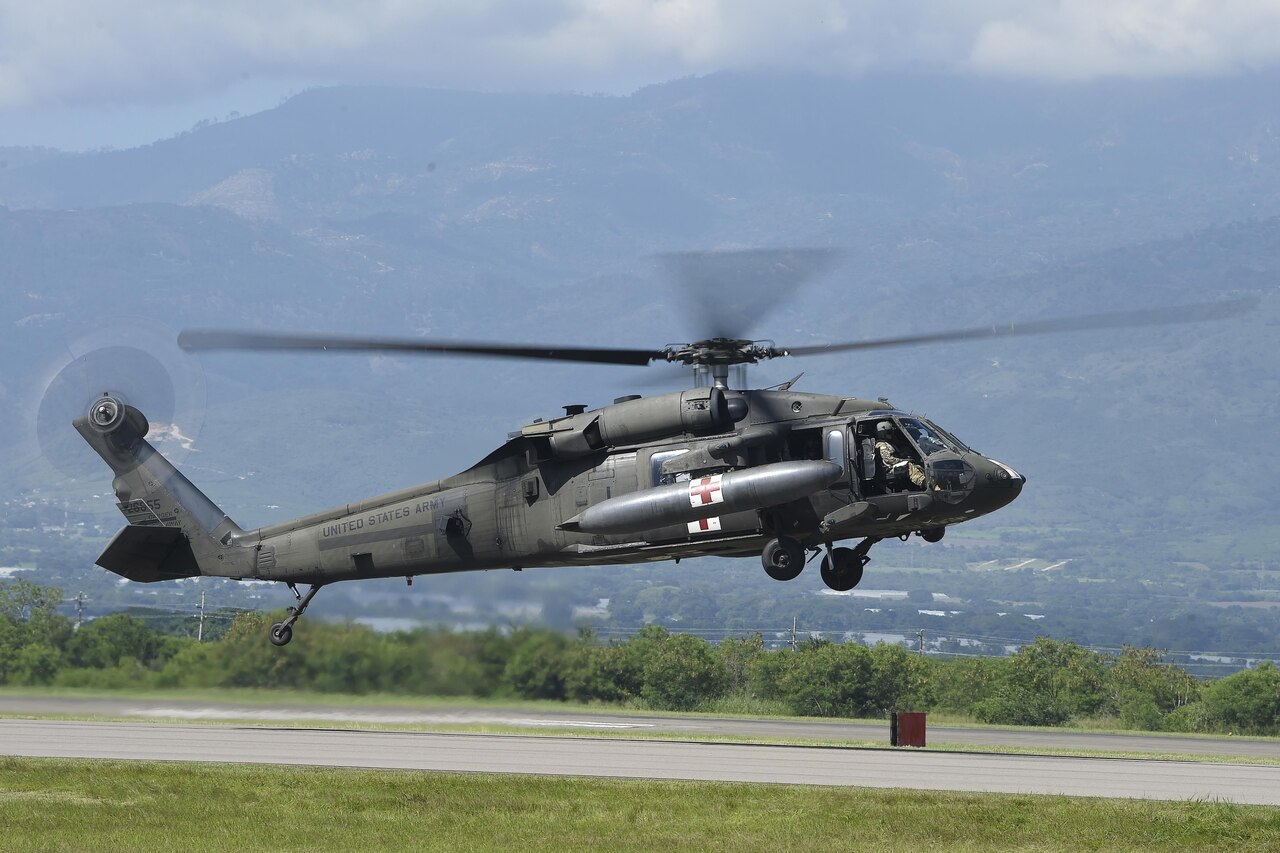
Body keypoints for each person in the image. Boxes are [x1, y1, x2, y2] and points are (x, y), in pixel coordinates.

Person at [875, 421, 925, 490]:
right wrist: (903, 460)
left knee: (918, 466)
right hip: (888, 469)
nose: (891, 435)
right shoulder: (882, 444)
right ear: (883, 433)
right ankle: (923, 482)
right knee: (909, 466)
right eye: (889, 433)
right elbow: (888, 459)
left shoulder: (889, 444)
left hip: (892, 466)